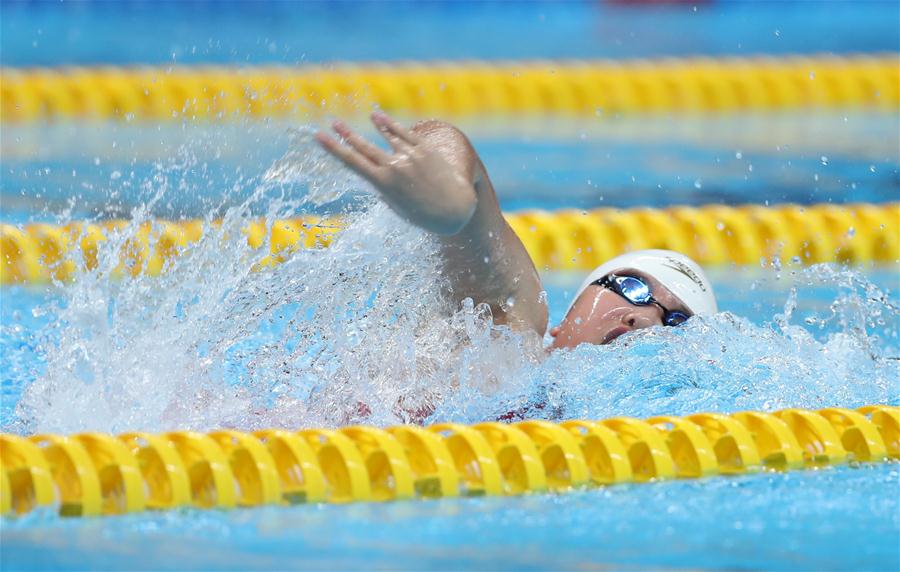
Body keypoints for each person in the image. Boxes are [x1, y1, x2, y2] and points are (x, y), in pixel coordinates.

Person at [316, 112, 717, 351]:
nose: (646, 318)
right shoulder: (514, 338)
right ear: (566, 319)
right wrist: (453, 206)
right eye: (633, 287)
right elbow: (447, 138)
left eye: (677, 322)